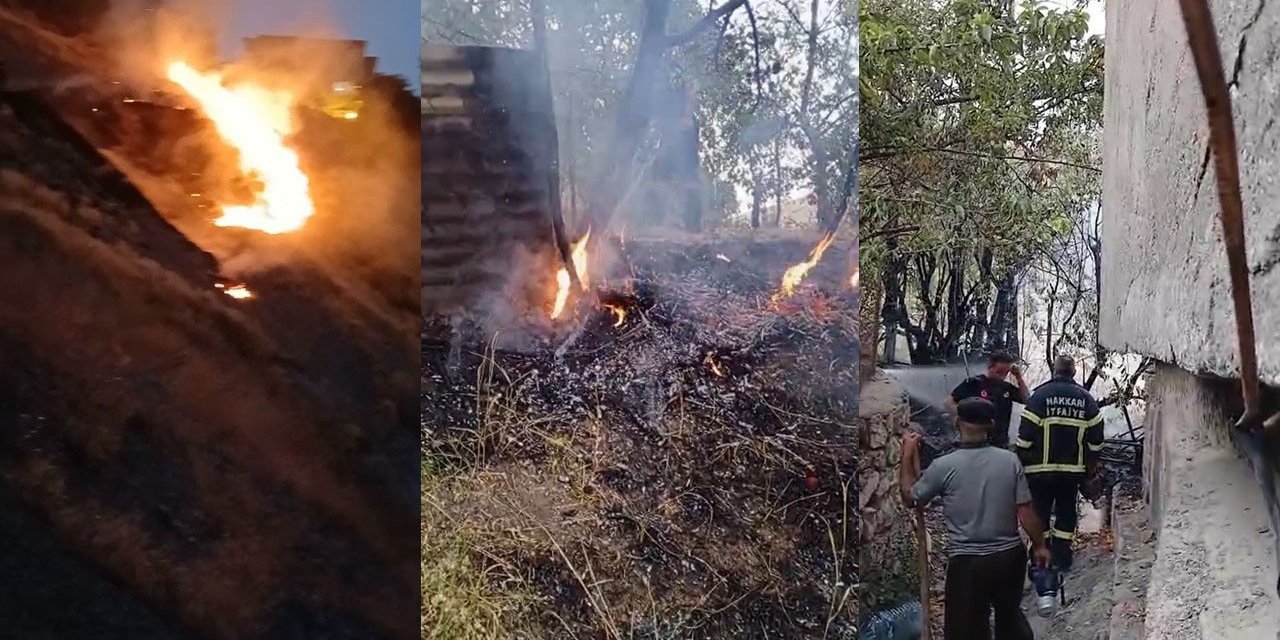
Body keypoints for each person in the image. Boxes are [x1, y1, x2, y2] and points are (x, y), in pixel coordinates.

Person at [900, 397, 1052, 640]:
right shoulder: (1009, 460)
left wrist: (907, 454)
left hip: (967, 563)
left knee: (965, 631)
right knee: (1009, 618)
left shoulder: (944, 466)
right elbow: (1025, 512)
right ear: (991, 424)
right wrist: (1041, 546)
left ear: (958, 421)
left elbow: (911, 497)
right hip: (1009, 559)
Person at [1015, 355, 1104, 607]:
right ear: (1074, 371)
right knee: (1066, 514)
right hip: (1070, 472)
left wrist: (1023, 455)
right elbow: (1097, 438)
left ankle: (1040, 557)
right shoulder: (1085, 399)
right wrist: (1090, 459)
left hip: (1038, 471)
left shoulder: (1040, 397)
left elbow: (1024, 437)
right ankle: (1062, 557)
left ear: (1054, 370)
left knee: (1040, 512)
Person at [946, 352, 1030, 448]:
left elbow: (1027, 400)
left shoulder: (1006, 388)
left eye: (1005, 373)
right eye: (998, 372)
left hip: (1000, 443)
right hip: (976, 442)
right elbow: (949, 402)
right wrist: (964, 417)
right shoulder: (974, 383)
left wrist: (1019, 377)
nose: (1001, 376)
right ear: (990, 367)